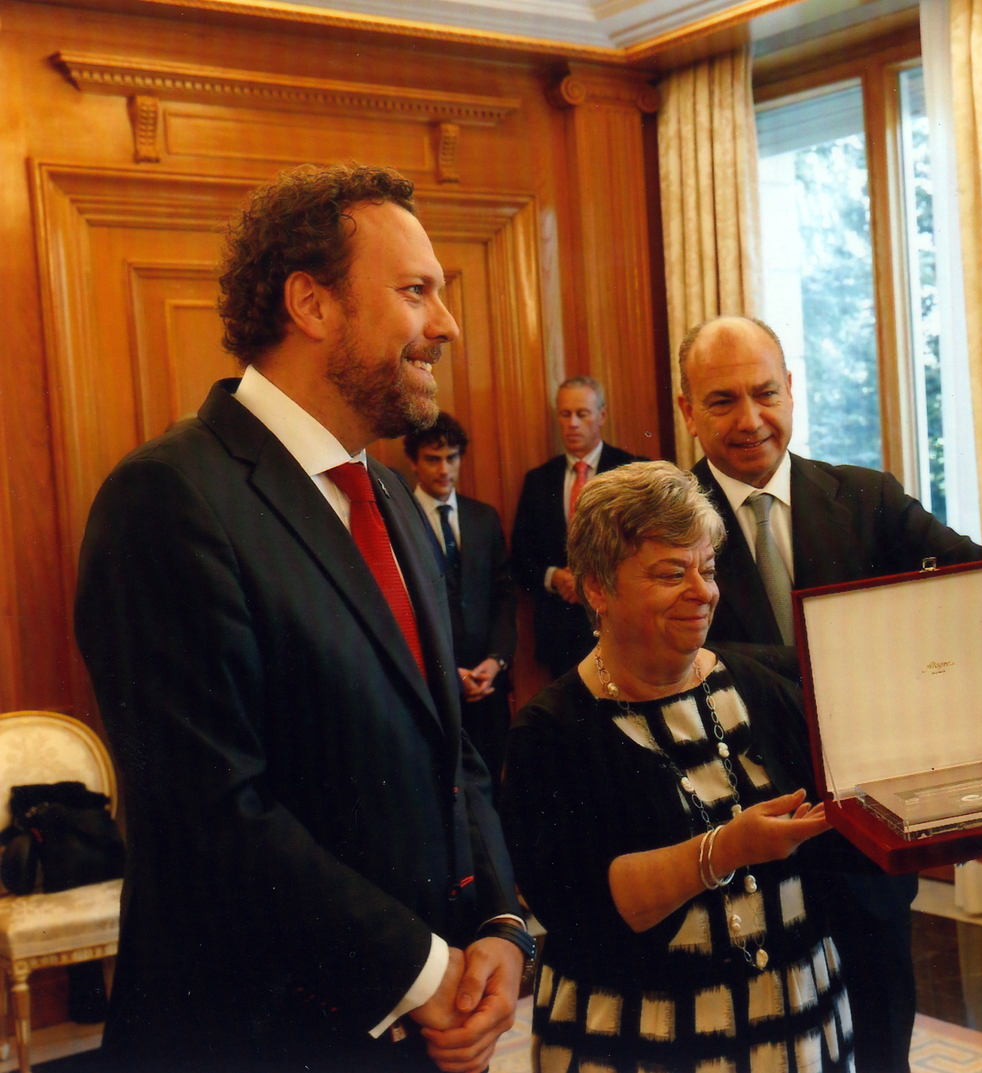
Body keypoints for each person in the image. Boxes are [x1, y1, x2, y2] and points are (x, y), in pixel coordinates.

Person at [74, 164, 533, 1073]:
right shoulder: (166, 497)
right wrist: (425, 971)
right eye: (416, 291)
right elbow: (211, 814)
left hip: (424, 1034)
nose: (446, 324)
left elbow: (454, 751)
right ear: (310, 304)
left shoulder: (396, 500)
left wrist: (502, 925)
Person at [677, 315, 982, 1073]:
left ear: (793, 391)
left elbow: (972, 581)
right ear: (687, 410)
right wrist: (844, 656)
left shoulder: (868, 498)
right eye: (722, 401)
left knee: (882, 1037)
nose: (750, 420)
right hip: (734, 834)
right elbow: (673, 657)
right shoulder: (662, 521)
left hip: (866, 830)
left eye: (765, 393)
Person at [500, 461, 853, 1071]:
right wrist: (723, 851)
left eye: (709, 569)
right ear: (597, 589)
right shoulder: (551, 731)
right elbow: (575, 907)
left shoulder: (761, 685)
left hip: (795, 1020)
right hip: (640, 1038)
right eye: (672, 574)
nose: (703, 591)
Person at [405, 411, 518, 793]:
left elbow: (504, 597)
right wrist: (445, 672)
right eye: (432, 459)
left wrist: (496, 660)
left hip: (489, 685)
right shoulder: (400, 519)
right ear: (414, 461)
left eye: (451, 457)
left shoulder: (482, 518)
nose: (443, 469)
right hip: (433, 686)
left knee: (495, 789)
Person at [510, 376, 643, 678]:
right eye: (565, 414)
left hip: (619, 624)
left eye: (582, 414)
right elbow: (520, 556)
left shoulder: (633, 472)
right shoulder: (539, 481)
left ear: (602, 415)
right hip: (560, 632)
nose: (572, 423)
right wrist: (555, 577)